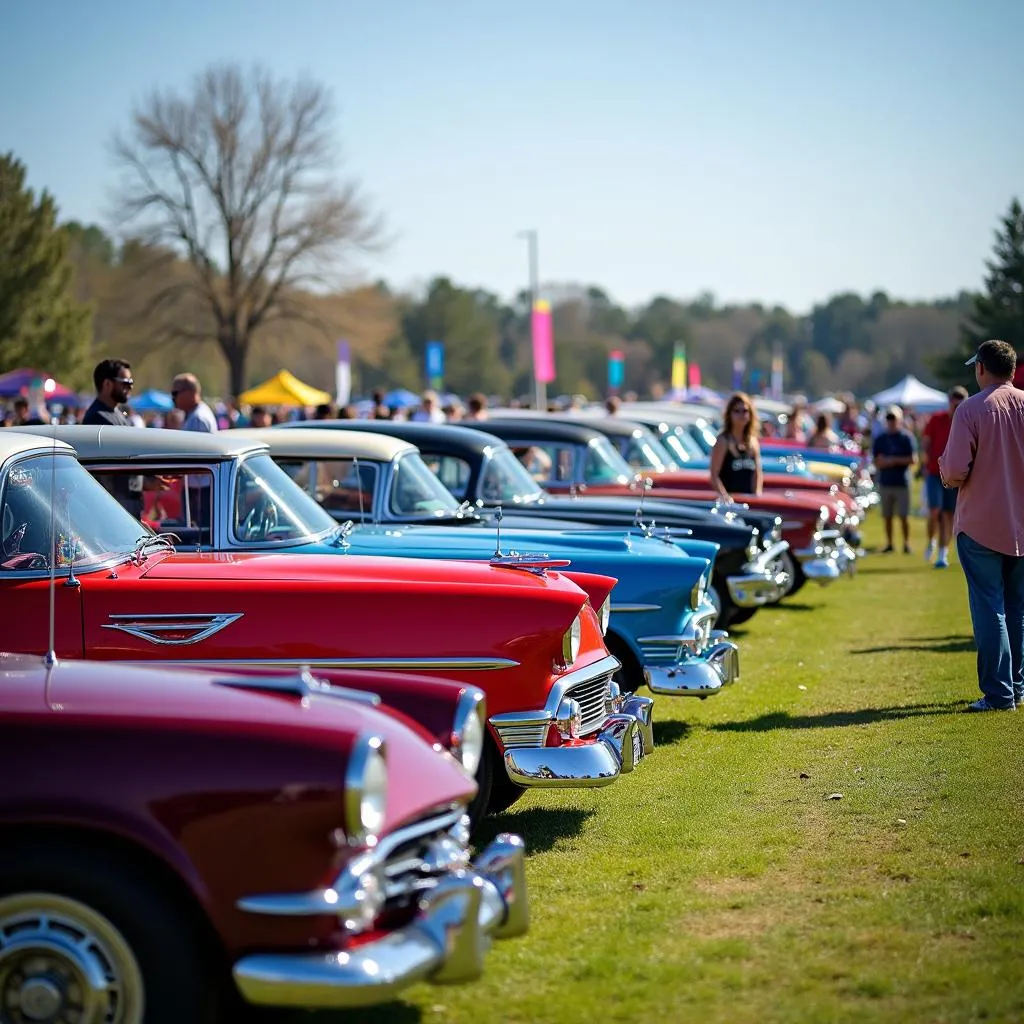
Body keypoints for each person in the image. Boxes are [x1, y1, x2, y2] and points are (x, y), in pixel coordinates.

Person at [939, 340, 1024, 712]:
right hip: (1020, 523)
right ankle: (1016, 688)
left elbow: (955, 470)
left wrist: (945, 471)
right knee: (1017, 608)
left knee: (991, 609)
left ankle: (998, 693)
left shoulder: (970, 410)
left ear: (981, 369)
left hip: (981, 525)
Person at [921, 386, 968, 568]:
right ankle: (931, 540)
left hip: (955, 476)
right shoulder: (937, 419)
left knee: (948, 515)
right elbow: (926, 442)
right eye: (953, 402)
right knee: (934, 511)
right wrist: (924, 463)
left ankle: (942, 553)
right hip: (934, 472)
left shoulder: (966, 421)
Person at [872, 406, 916, 553]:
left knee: (903, 516)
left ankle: (906, 543)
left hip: (901, 482)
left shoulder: (906, 437)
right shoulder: (881, 439)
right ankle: (890, 544)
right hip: (886, 481)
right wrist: (883, 462)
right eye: (889, 419)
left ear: (900, 420)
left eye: (893, 419)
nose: (891, 422)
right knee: (887, 516)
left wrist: (893, 460)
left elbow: (913, 459)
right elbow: (875, 460)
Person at [709, 392, 762, 500]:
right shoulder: (723, 441)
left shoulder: (753, 442)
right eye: (737, 411)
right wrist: (725, 498)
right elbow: (714, 475)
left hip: (749, 502)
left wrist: (757, 494)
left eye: (745, 411)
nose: (741, 414)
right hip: (729, 503)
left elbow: (757, 473)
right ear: (729, 414)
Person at [83, 359, 135, 427]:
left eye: (131, 382)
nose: (131, 387)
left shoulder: (120, 412)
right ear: (107, 384)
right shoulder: (96, 419)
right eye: (125, 383)